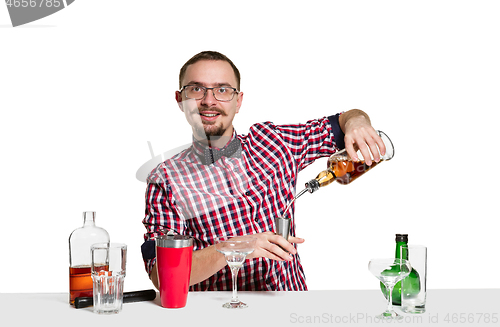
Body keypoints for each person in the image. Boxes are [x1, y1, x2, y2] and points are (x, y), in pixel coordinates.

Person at [141, 51, 386, 291]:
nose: (208, 100)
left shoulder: (275, 142)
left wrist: (357, 122)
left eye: (222, 90)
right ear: (179, 100)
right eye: (196, 89)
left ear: (238, 102)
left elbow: (343, 120)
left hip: (293, 311)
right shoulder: (166, 179)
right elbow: (162, 275)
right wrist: (234, 246)